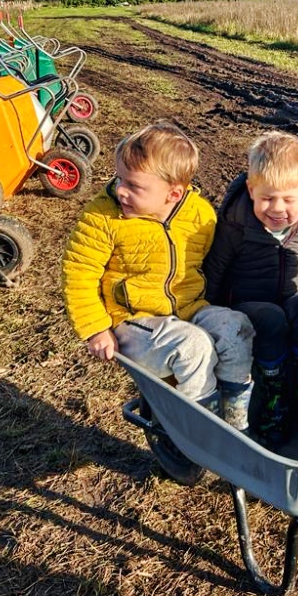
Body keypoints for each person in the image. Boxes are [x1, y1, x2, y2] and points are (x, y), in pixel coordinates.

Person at [61, 120, 255, 430]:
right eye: (119, 178)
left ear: (174, 194)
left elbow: (210, 261)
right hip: (132, 320)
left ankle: (234, 421)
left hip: (189, 309)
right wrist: (96, 329)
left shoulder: (199, 214)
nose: (121, 190)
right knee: (192, 347)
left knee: (236, 328)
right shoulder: (102, 217)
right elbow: (78, 274)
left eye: (134, 186)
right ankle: (194, 430)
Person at [203, 132, 298, 448]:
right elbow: (216, 267)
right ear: (251, 190)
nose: (276, 208)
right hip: (248, 304)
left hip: (293, 296)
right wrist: (207, 307)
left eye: (288, 200)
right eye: (266, 198)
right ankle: (274, 399)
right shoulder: (236, 224)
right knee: (272, 318)